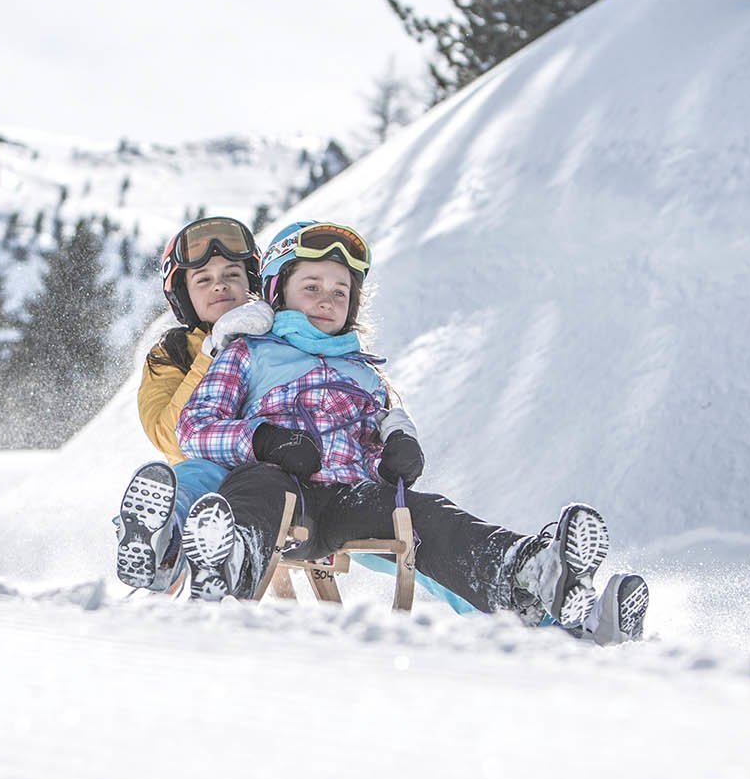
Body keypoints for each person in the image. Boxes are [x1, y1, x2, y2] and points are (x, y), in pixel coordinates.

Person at [176, 220, 648, 644]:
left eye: (341, 292)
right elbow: (194, 428)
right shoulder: (249, 353)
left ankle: (532, 572)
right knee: (260, 486)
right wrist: (263, 441)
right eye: (312, 285)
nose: (327, 298)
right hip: (280, 491)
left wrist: (398, 446)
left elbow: (386, 423)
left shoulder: (364, 373)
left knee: (424, 514)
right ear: (279, 292)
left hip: (347, 498)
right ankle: (228, 563)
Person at [113, 217, 275, 592]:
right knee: (191, 476)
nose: (220, 284)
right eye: (203, 279)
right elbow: (170, 437)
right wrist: (213, 350)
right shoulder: (170, 355)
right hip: (207, 472)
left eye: (232, 274)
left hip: (273, 472)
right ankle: (157, 544)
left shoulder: (282, 337)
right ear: (184, 295)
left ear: (252, 283)